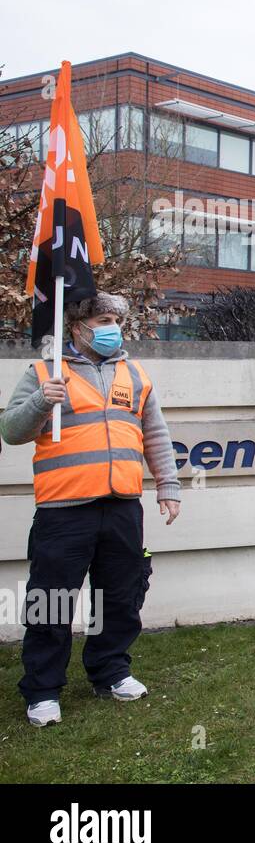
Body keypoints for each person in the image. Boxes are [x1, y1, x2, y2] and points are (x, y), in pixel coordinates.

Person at [1, 291, 181, 728]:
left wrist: (168, 486)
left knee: (120, 596)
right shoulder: (46, 372)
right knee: (53, 601)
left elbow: (154, 434)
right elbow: (11, 430)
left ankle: (111, 672)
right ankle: (42, 691)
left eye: (115, 319)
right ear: (78, 325)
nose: (111, 326)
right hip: (63, 510)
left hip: (122, 506)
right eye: (102, 318)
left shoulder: (135, 375)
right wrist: (43, 400)